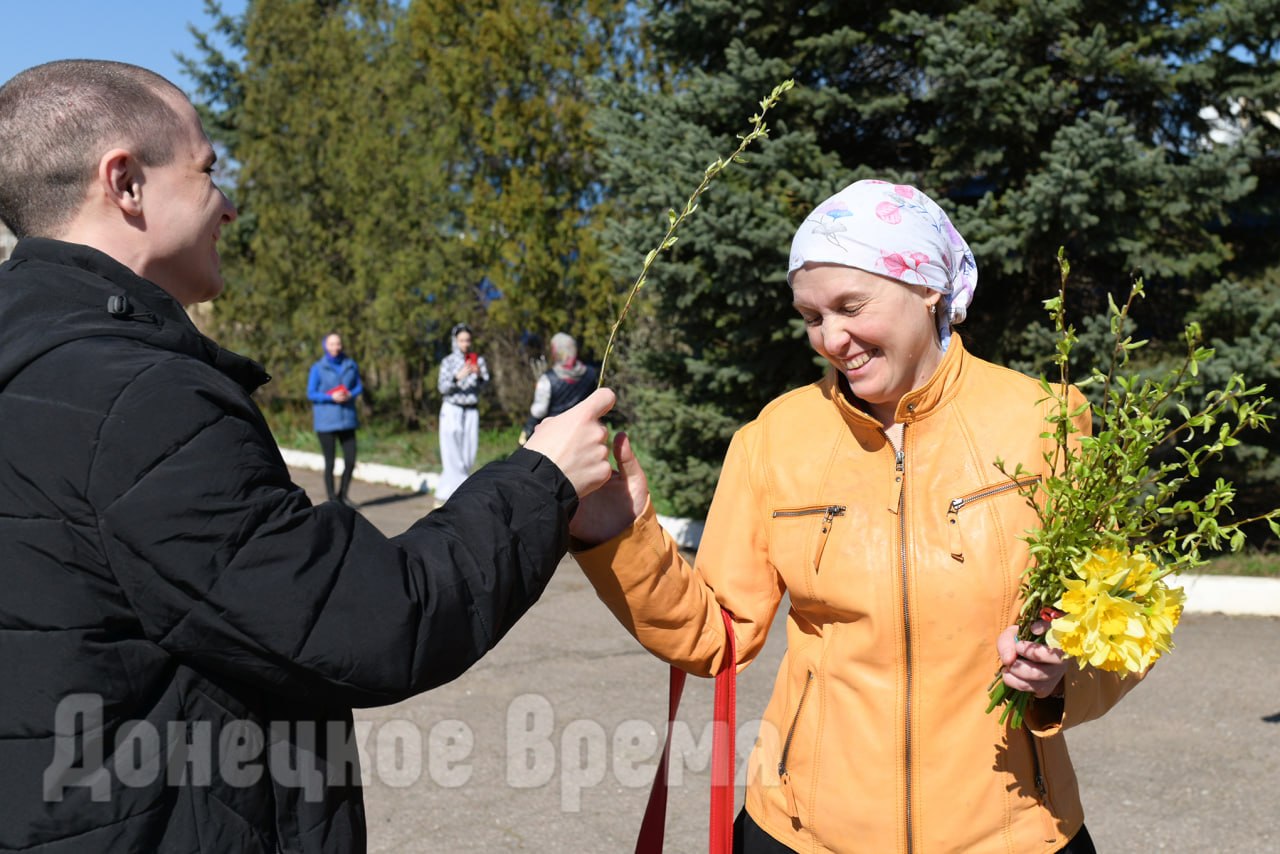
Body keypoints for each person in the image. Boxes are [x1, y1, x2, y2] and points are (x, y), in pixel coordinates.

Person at [0, 59, 618, 853]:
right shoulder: (141, 401)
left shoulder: (33, 366)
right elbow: (374, 621)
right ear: (125, 183)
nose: (228, 205)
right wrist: (543, 479)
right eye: (209, 171)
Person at [568, 180, 1145, 853]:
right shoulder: (773, 440)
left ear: (928, 288)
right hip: (805, 831)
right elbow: (716, 634)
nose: (831, 338)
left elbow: (1127, 616)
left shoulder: (1048, 422)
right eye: (811, 316)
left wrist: (1062, 674)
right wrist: (621, 535)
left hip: (1012, 832)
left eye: (849, 306)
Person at [307, 331, 364, 505]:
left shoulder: (350, 364)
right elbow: (311, 393)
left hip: (347, 419)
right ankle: (332, 500)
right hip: (326, 422)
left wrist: (350, 394)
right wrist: (330, 397)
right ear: (325, 346)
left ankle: (343, 496)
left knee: (350, 460)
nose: (335, 347)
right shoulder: (317, 368)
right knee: (330, 463)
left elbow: (358, 386)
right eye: (332, 344)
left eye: (338, 344)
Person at [435, 322, 489, 501]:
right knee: (451, 454)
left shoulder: (478, 360)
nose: (465, 344)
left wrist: (479, 375)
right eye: (461, 340)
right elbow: (442, 387)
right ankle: (457, 496)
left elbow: (486, 386)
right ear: (455, 341)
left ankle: (449, 493)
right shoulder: (448, 361)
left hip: (471, 411)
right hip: (452, 409)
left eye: (468, 340)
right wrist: (457, 377)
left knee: (468, 455)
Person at [520, 332, 598, 445]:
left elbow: (539, 411)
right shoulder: (590, 373)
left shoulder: (548, 379)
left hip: (555, 434)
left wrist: (527, 430)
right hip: (583, 431)